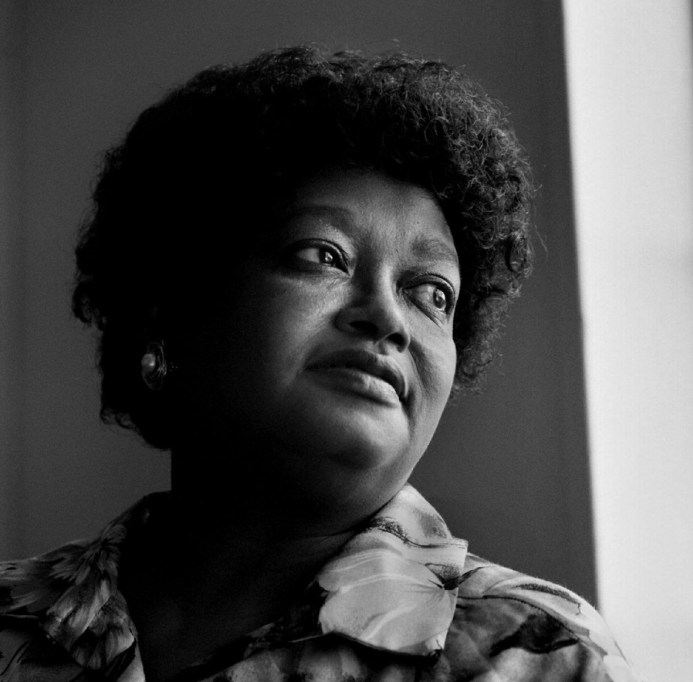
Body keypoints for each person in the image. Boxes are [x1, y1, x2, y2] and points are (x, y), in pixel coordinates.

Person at [0, 46, 637, 681]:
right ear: (173, 307)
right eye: (324, 256)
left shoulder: (536, 656)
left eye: (432, 293)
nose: (387, 317)